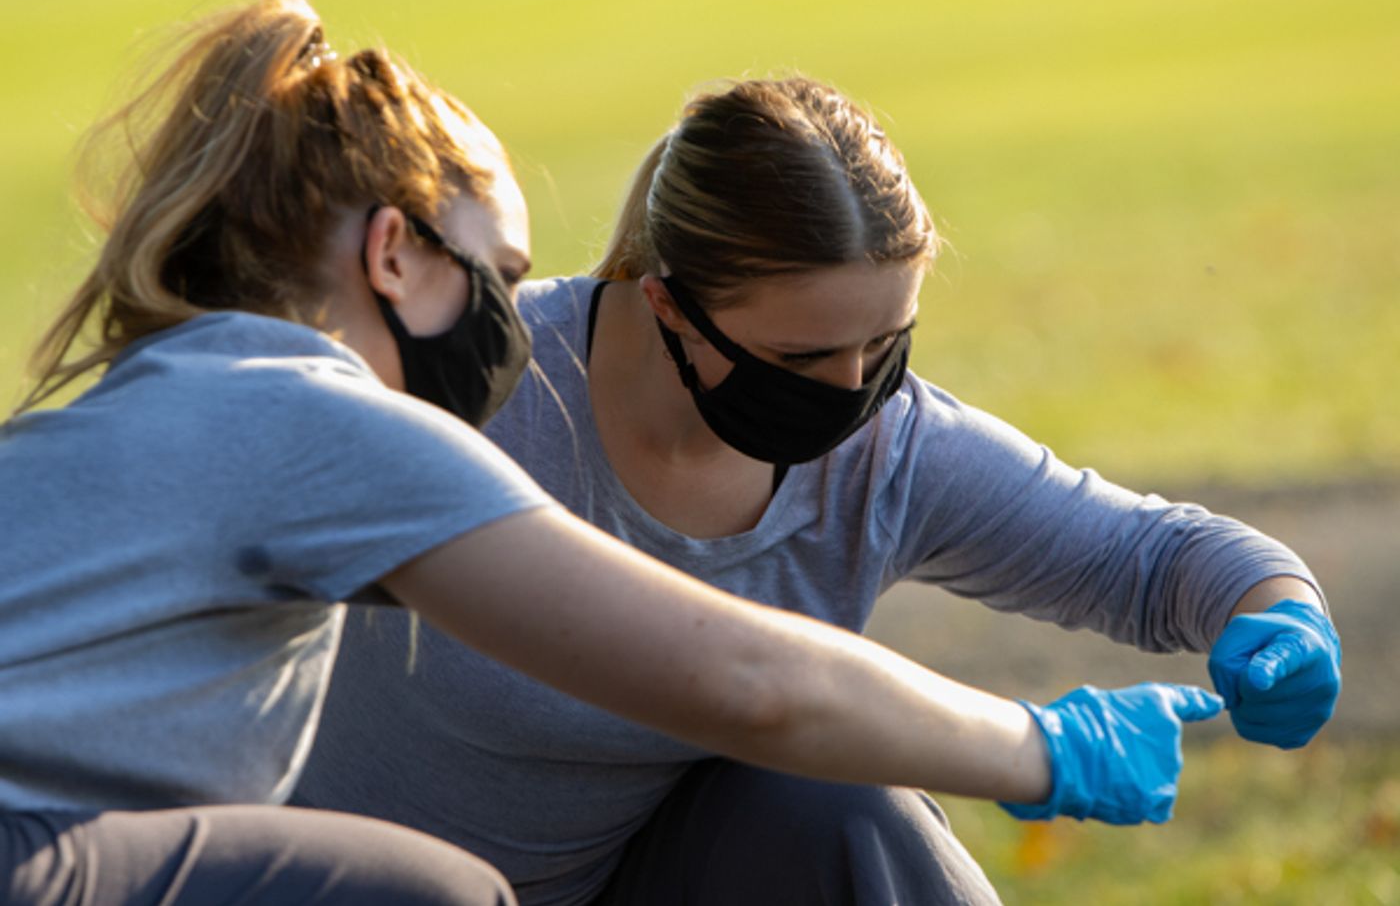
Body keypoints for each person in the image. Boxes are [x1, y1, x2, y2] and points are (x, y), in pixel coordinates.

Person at [0, 0, 1261, 906]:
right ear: (393, 255)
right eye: (492, 279)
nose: (507, 330)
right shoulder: (324, 418)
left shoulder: (181, 384)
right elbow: (743, 683)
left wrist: (1263, 598)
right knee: (421, 895)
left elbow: (1135, 554)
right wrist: (1045, 751)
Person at [295, 77, 1344, 905]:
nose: (849, 394)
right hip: (333, 888)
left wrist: (1277, 609)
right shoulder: (475, 388)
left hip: (635, 885)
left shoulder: (885, 449)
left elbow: (1152, 557)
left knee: (839, 813)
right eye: (798, 358)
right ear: (664, 305)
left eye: (884, 345)